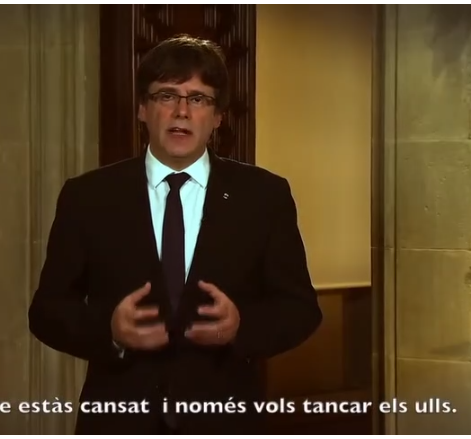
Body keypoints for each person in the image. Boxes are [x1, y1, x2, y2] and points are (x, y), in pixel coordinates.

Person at [28, 34, 322, 434]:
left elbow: (300, 309)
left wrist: (241, 327)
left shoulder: (264, 196)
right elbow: (47, 310)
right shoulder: (88, 196)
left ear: (217, 116)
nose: (182, 111)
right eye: (167, 95)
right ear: (142, 108)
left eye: (198, 99)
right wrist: (109, 330)